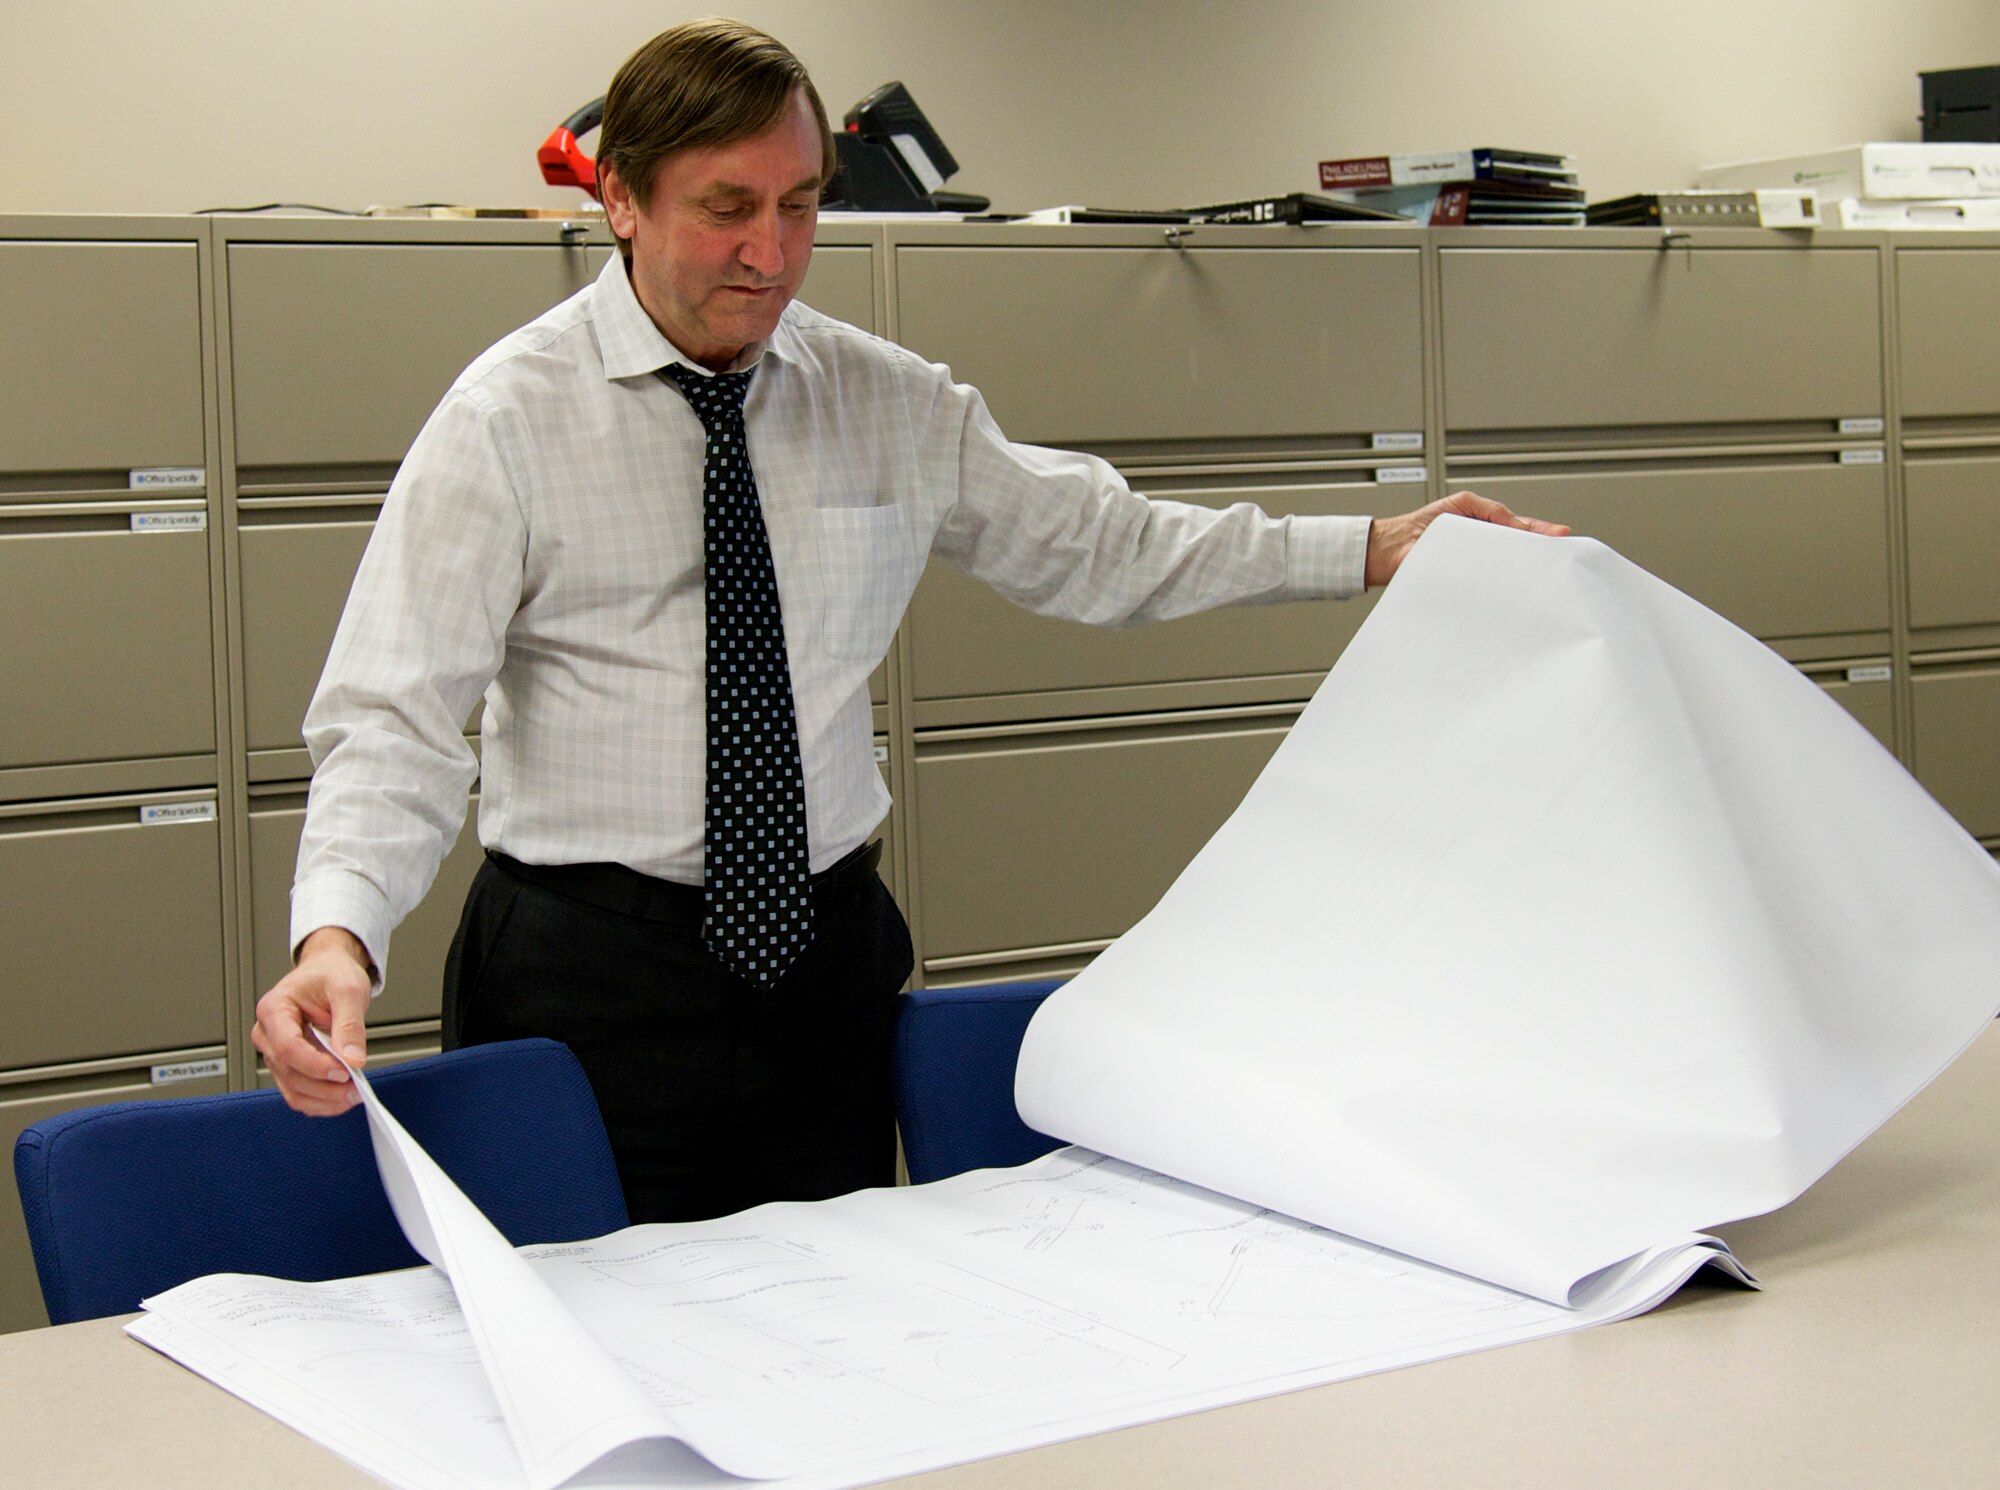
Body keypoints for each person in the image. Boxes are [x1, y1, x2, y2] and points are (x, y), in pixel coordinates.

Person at [253, 17, 1567, 1222]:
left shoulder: (883, 399)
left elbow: (1098, 542)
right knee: (591, 1343)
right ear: (619, 198)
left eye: (800, 205)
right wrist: (339, 933)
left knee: (831, 1332)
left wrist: (1373, 548)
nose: (771, 253)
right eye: (726, 210)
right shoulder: (506, 422)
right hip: (590, 979)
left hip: (821, 968)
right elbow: (395, 716)